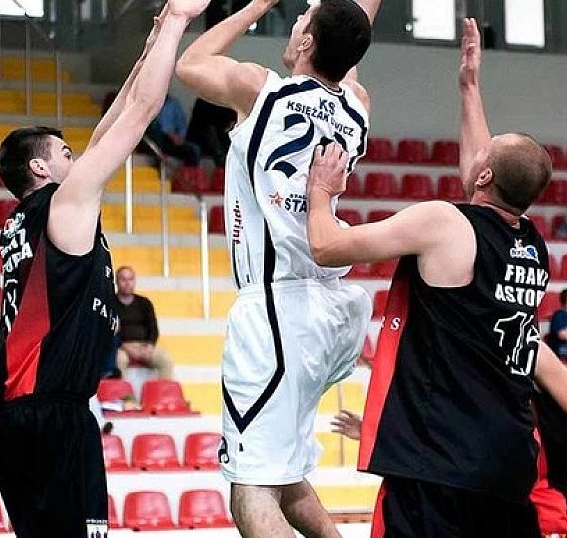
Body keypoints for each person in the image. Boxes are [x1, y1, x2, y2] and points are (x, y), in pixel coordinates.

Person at [305, 19, 567, 537]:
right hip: (507, 462)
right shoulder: (532, 243)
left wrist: (320, 193)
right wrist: (469, 87)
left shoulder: (444, 223)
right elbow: (484, 177)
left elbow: (327, 248)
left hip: (436, 458)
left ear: (484, 176)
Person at [0, 2, 207, 535]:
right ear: (40, 166)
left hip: (24, 415)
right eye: (65, 152)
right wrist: (178, 20)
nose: (77, 157)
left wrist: (151, 43)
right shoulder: (64, 205)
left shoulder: (30, 218)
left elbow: (115, 118)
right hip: (51, 415)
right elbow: (140, 111)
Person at [176, 0, 382, 535]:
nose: (293, 25)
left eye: (300, 21)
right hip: (328, 311)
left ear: (308, 42)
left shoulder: (261, 88)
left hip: (276, 305)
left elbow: (189, 62)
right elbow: (353, 28)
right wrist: (335, 25)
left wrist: (256, 5)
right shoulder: (357, 106)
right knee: (286, 474)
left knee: (250, 486)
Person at [331, 343, 567, 538]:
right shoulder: (447, 354)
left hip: (541, 503)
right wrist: (384, 432)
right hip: (477, 502)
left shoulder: (526, 346)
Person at [115, 266, 174, 379]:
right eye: (123, 279)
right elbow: (110, 332)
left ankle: (161, 391)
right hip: (122, 348)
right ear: (117, 281)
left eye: (130, 279)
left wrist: (149, 346)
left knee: (165, 360)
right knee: (118, 361)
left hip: (144, 346)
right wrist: (125, 347)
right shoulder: (111, 303)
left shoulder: (145, 303)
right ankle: (124, 391)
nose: (127, 283)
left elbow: (153, 329)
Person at [145, 94, 202, 165]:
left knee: (194, 149)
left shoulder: (174, 104)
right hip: (159, 138)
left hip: (174, 141)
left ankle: (189, 171)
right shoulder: (152, 105)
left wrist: (181, 137)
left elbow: (182, 124)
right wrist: (170, 134)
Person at [185, 97, 237, 166]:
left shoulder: (228, 101)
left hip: (221, 139)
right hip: (201, 140)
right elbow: (204, 123)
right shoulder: (204, 101)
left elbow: (232, 119)